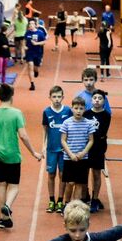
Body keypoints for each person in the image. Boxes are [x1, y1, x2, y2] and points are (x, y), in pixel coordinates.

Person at [0, 83, 42, 229]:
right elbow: (23, 135)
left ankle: (3, 218)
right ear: (12, 96)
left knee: (1, 184)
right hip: (12, 154)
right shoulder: (16, 113)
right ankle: (8, 206)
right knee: (14, 186)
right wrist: (33, 152)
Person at [59, 95, 97, 207]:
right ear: (72, 109)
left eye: (81, 108)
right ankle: (67, 204)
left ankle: (75, 206)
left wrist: (83, 153)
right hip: (69, 158)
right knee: (70, 183)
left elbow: (91, 140)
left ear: (84, 109)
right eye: (76, 108)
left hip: (82, 158)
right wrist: (70, 154)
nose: (78, 111)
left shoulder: (89, 123)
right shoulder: (67, 123)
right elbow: (63, 140)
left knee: (79, 184)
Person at [40, 85, 72, 213]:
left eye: (59, 96)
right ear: (50, 98)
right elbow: (45, 131)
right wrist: (43, 146)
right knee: (51, 174)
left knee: (62, 175)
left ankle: (60, 201)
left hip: (64, 150)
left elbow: (71, 129)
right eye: (54, 97)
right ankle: (51, 200)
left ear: (63, 97)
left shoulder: (68, 111)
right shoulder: (46, 112)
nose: (57, 99)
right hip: (51, 149)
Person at [86, 89, 112, 212]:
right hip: (85, 148)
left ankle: (95, 199)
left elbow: (102, 133)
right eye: (95, 98)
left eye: (100, 98)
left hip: (98, 148)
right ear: (91, 100)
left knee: (96, 174)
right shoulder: (86, 113)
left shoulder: (106, 115)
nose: (97, 100)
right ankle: (86, 196)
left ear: (104, 101)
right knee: (84, 173)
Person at [24, 15, 48, 91]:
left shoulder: (40, 33)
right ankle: (32, 84)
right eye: (29, 24)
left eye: (32, 24)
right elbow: (24, 42)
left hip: (38, 53)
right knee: (30, 66)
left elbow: (44, 42)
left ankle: (36, 71)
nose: (30, 25)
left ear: (35, 25)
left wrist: (36, 44)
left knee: (35, 68)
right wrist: (24, 47)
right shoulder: (27, 33)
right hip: (29, 53)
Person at [0, 23, 12, 88]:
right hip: (0, 55)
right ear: (5, 30)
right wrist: (2, 46)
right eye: (7, 30)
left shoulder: (5, 37)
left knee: (4, 70)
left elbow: (8, 47)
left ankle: (3, 83)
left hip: (5, 55)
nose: (7, 32)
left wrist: (9, 55)